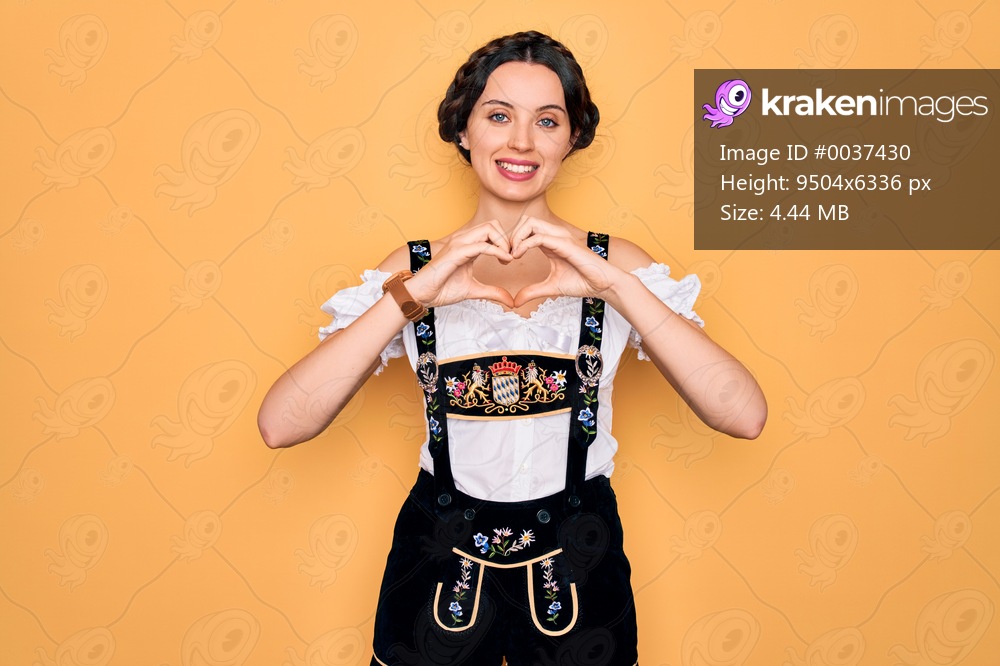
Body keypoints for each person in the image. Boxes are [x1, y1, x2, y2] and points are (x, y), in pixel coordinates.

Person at [258, 30, 766, 666]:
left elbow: (742, 414)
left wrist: (613, 285)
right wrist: (414, 295)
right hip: (436, 568)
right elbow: (281, 425)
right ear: (463, 130)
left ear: (571, 138)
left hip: (581, 568)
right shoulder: (412, 270)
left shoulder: (616, 266)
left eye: (546, 121)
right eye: (498, 115)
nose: (521, 141)